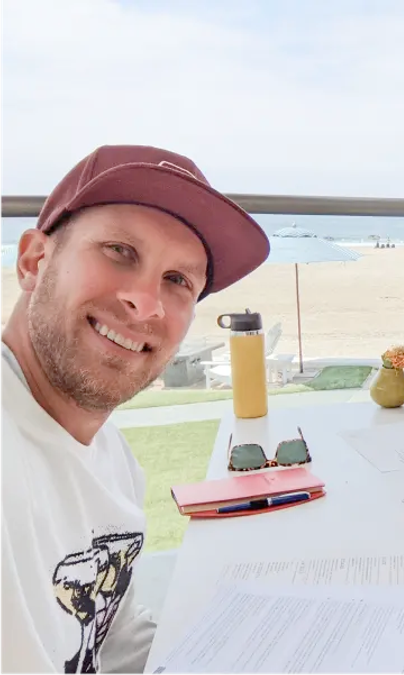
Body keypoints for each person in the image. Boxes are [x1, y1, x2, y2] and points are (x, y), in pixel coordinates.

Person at [1, 145, 270, 675]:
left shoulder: (114, 459)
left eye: (178, 281)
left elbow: (112, 645)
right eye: (120, 251)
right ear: (35, 260)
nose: (146, 302)